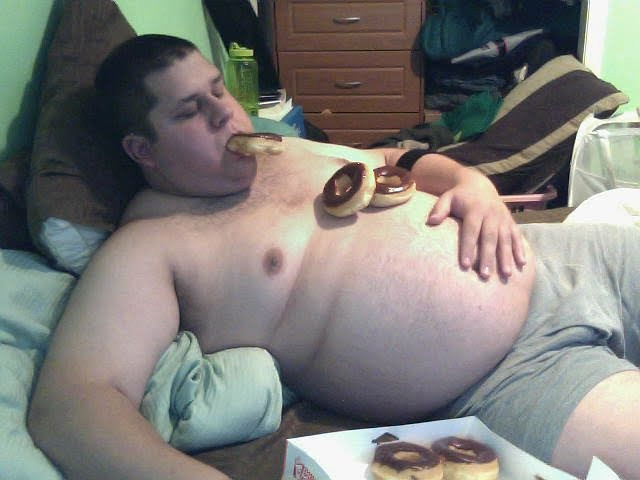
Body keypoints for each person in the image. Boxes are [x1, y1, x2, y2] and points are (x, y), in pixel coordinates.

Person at [27, 34, 640, 480]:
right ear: (142, 149)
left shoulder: (282, 147)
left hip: (561, 255)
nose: (226, 116)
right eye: (191, 111)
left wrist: (466, 180)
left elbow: (392, 160)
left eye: (219, 90)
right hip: (508, 376)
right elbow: (74, 402)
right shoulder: (149, 247)